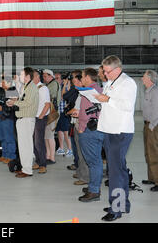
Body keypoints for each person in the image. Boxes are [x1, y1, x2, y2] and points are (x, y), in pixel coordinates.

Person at [95, 55, 137, 222]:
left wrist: (108, 99)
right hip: (109, 129)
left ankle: (116, 208)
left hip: (119, 131)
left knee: (115, 172)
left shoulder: (127, 83)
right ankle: (123, 204)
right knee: (119, 168)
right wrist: (100, 99)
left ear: (117, 69)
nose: (105, 74)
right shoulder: (111, 82)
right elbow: (108, 103)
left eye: (107, 71)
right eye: (104, 71)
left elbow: (127, 105)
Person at [76, 68, 104, 202]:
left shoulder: (88, 92)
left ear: (87, 77)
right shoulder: (99, 89)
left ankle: (94, 191)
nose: (81, 79)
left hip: (89, 130)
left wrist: (81, 128)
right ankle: (94, 186)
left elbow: (86, 113)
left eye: (82, 76)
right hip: (98, 128)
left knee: (93, 161)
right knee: (95, 160)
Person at [7, 67, 39, 178]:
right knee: (23, 146)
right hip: (22, 118)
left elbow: (28, 102)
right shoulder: (27, 87)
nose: (20, 76)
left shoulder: (31, 87)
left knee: (26, 146)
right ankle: (24, 168)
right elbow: (23, 101)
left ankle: (27, 170)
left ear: (27, 76)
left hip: (26, 118)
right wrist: (14, 102)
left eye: (21, 75)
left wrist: (14, 103)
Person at [141, 70, 158, 192]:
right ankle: (152, 178)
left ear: (150, 79)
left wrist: (152, 125)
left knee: (154, 153)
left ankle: (157, 180)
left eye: (144, 77)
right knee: (148, 153)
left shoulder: (155, 92)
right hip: (147, 125)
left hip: (153, 126)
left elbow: (157, 110)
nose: (142, 79)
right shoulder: (148, 91)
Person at [0, 78, 17, 164]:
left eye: (3, 82)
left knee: (9, 138)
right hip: (0, 115)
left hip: (8, 117)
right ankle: (4, 155)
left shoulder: (12, 91)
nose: (2, 83)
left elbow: (13, 105)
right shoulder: (1, 91)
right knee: (2, 137)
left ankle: (11, 156)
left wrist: (2, 107)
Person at [32, 69, 51, 174]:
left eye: (32, 76)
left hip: (40, 118)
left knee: (39, 142)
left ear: (37, 77)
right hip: (32, 117)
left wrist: (40, 117)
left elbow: (47, 104)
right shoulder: (32, 88)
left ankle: (43, 164)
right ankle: (38, 162)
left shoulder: (43, 88)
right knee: (34, 142)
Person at [43, 69, 61, 164]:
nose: (44, 78)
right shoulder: (49, 85)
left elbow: (50, 97)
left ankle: (52, 157)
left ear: (50, 76)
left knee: (50, 136)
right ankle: (48, 155)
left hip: (52, 113)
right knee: (47, 136)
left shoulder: (54, 84)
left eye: (45, 76)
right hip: (49, 112)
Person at [56, 75, 73, 157]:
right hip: (59, 112)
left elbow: (64, 96)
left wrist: (67, 84)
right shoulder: (58, 87)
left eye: (57, 78)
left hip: (64, 112)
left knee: (66, 132)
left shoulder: (67, 87)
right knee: (59, 130)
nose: (56, 80)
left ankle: (69, 149)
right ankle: (61, 148)